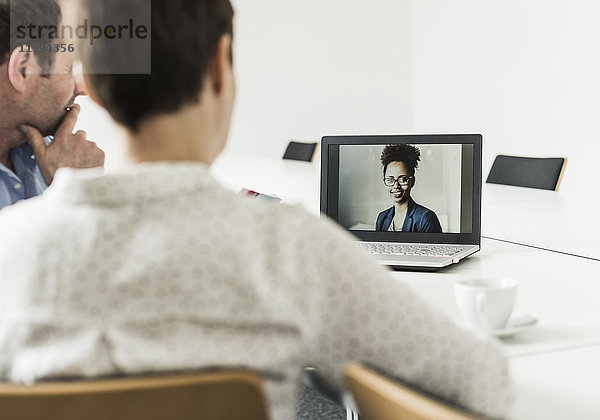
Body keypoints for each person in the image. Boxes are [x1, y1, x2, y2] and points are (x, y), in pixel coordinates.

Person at [0, 1, 511, 419]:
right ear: (220, 66)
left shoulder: (10, 245)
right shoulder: (288, 248)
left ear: (96, 90)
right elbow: (482, 383)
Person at [0, 0, 104, 210]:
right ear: (22, 69)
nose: (81, 89)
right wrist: (80, 196)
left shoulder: (57, 156)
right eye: (68, 69)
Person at [375, 144, 443, 233]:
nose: (396, 186)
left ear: (412, 181)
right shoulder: (382, 218)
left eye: (403, 179)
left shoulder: (426, 218)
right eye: (390, 180)